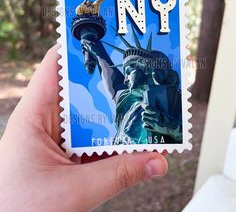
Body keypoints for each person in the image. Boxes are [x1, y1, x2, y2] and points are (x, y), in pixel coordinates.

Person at [0, 45, 168, 212]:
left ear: (150, 73)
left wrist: (170, 126)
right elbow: (111, 78)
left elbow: (174, 129)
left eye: (130, 70)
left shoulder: (167, 103)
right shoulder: (128, 103)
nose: (125, 78)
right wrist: (95, 46)